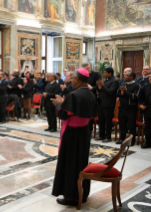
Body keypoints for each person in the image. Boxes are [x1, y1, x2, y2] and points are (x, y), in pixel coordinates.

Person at [51, 68, 97, 206]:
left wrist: (58, 104)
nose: (72, 81)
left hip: (72, 135)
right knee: (81, 163)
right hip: (84, 134)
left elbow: (63, 114)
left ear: (77, 79)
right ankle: (81, 194)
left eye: (73, 78)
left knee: (70, 164)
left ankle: (71, 197)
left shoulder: (74, 95)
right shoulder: (91, 94)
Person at [116, 70, 140, 146]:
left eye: (126, 75)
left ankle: (131, 141)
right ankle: (122, 139)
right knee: (122, 124)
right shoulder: (123, 84)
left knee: (131, 125)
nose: (124, 77)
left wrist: (125, 92)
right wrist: (122, 93)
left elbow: (135, 97)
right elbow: (118, 93)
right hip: (122, 107)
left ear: (131, 77)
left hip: (131, 109)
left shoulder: (137, 85)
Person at [96, 67, 119, 142]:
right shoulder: (105, 80)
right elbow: (101, 90)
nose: (104, 74)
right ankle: (101, 135)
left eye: (106, 73)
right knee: (101, 120)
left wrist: (102, 86)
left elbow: (111, 92)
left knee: (108, 121)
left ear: (110, 73)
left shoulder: (115, 81)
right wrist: (99, 88)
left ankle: (108, 137)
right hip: (102, 103)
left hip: (109, 104)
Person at [139, 75, 151, 149]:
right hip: (148, 109)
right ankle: (148, 142)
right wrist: (140, 104)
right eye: (150, 78)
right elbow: (140, 97)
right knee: (148, 127)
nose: (150, 79)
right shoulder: (146, 86)